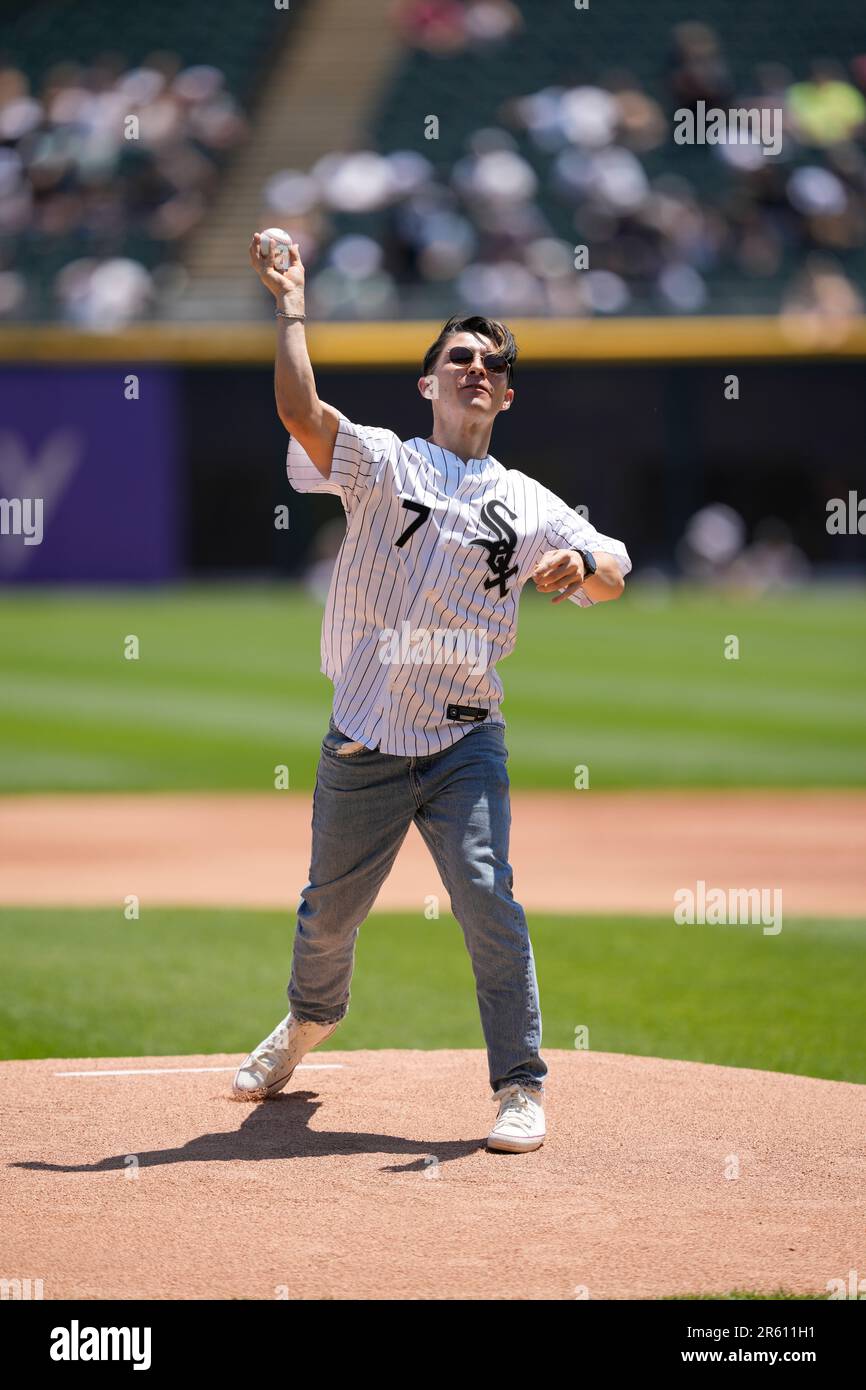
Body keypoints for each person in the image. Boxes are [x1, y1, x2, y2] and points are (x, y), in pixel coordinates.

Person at [233, 231, 631, 1153]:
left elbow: (612, 567)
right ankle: (307, 1022)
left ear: (508, 392)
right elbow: (301, 411)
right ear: (429, 383)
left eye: (495, 363)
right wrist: (291, 303)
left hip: (463, 743)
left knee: (489, 896)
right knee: (326, 917)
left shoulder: (528, 502)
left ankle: (521, 1085)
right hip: (364, 741)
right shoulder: (384, 462)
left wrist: (580, 570)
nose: (479, 369)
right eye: (461, 356)